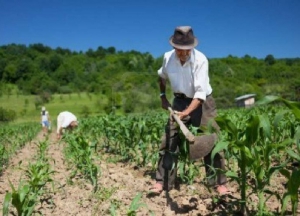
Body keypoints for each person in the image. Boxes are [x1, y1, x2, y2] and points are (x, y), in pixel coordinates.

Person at [150, 26, 228, 195]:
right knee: (169, 139)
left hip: (203, 102)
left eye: (188, 50)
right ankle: (162, 181)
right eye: (180, 50)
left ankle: (218, 183)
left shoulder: (201, 60)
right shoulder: (167, 58)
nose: (184, 54)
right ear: (174, 47)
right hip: (178, 100)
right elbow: (162, 77)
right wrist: (163, 96)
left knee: (212, 138)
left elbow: (200, 95)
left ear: (192, 46)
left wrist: (186, 113)